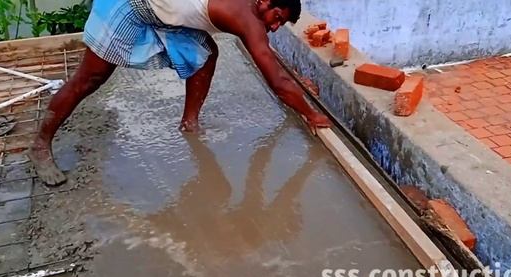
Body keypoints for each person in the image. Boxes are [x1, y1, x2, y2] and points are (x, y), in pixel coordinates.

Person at [28, 0, 332, 186]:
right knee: (89, 80)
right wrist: (312, 113)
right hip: (130, 5)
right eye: (277, 18)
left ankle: (190, 122)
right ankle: (41, 145)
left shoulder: (252, 11)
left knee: (205, 54)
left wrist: (296, 83)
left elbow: (268, 59)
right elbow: (276, 81)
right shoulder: (248, 20)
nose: (276, 27)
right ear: (264, 2)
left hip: (163, 10)